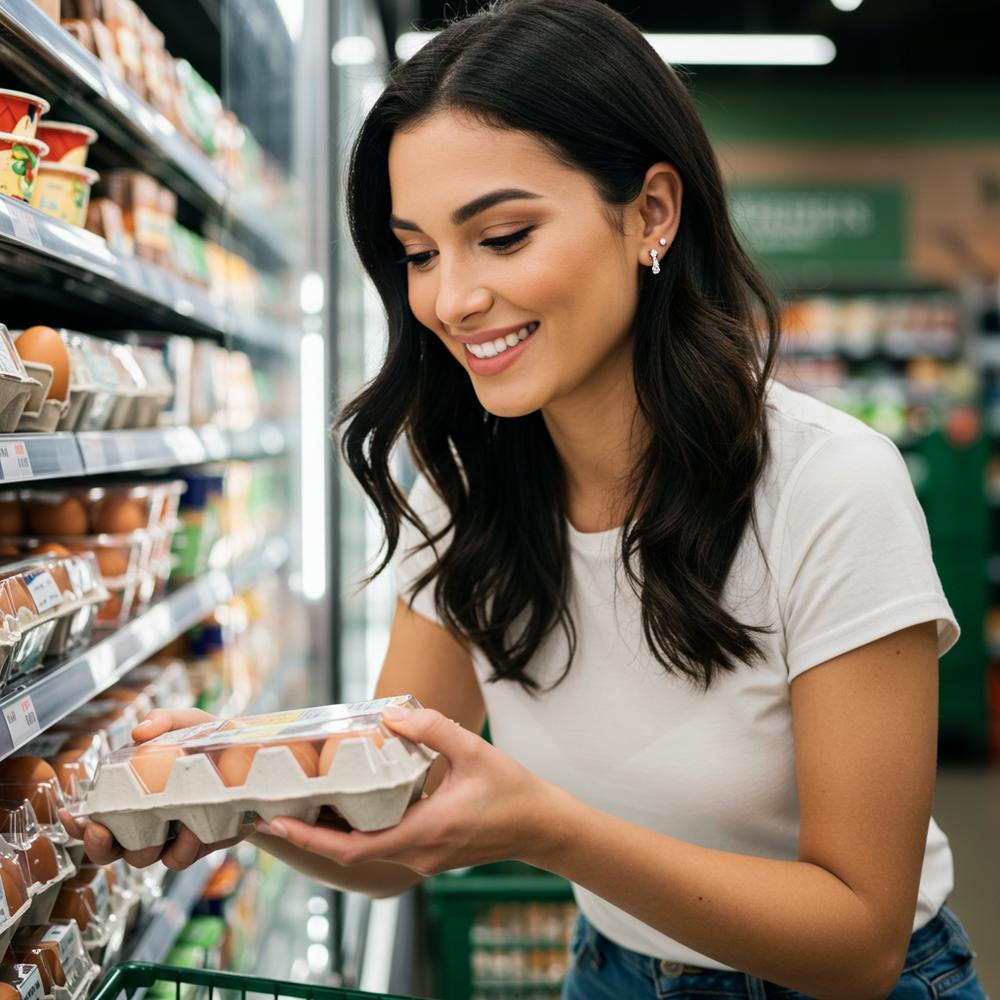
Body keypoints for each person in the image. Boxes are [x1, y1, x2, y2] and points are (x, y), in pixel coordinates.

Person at [63, 1, 990, 997]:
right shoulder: (467, 497)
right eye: (420, 253)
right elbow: (389, 839)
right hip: (609, 971)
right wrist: (231, 797)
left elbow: (859, 942)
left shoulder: (828, 485)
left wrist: (545, 829)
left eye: (501, 237)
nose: (450, 299)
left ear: (651, 213)